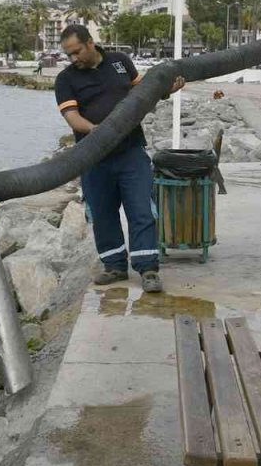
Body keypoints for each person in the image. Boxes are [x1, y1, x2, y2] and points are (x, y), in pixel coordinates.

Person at [55, 24, 183, 293]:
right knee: (102, 213)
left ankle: (148, 268)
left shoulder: (120, 62)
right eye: (69, 55)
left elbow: (142, 95)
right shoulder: (66, 79)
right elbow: (71, 117)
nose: (73, 58)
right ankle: (114, 266)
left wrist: (166, 90)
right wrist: (96, 130)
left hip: (131, 151)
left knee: (142, 210)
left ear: (90, 43)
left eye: (77, 52)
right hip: (93, 157)